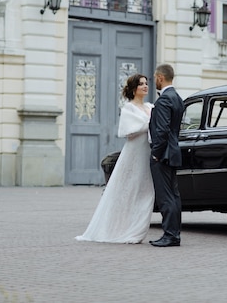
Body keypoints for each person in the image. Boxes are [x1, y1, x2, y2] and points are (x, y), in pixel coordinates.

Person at [75, 74, 155, 244]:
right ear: (134, 88)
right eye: (141, 84)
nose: (145, 86)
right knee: (125, 191)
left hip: (148, 154)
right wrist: (150, 123)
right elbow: (128, 131)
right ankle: (119, 229)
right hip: (134, 155)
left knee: (146, 192)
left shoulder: (151, 106)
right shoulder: (128, 109)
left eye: (146, 83)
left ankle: (137, 231)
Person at [148, 64, 184, 247]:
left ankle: (170, 235)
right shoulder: (177, 98)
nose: (154, 80)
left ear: (160, 77)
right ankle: (174, 234)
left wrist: (155, 154)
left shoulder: (163, 101)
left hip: (163, 155)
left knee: (165, 197)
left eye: (155, 77)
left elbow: (161, 131)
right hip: (174, 152)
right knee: (174, 195)